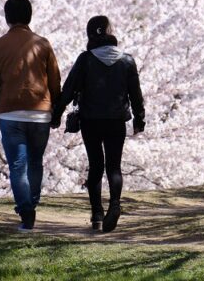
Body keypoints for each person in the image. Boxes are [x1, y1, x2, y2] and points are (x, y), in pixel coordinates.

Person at [53, 15, 145, 233]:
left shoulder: (85, 59)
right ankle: (115, 205)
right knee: (114, 166)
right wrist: (139, 119)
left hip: (90, 120)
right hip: (116, 121)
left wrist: (56, 114)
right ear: (109, 31)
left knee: (96, 166)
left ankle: (96, 214)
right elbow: (136, 95)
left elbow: (68, 90)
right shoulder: (127, 60)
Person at [0, 0, 61, 231]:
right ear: (29, 16)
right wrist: (55, 110)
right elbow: (55, 80)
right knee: (36, 162)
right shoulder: (43, 44)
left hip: (10, 113)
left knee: (18, 166)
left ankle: (26, 212)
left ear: (7, 17)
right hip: (40, 113)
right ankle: (32, 203)